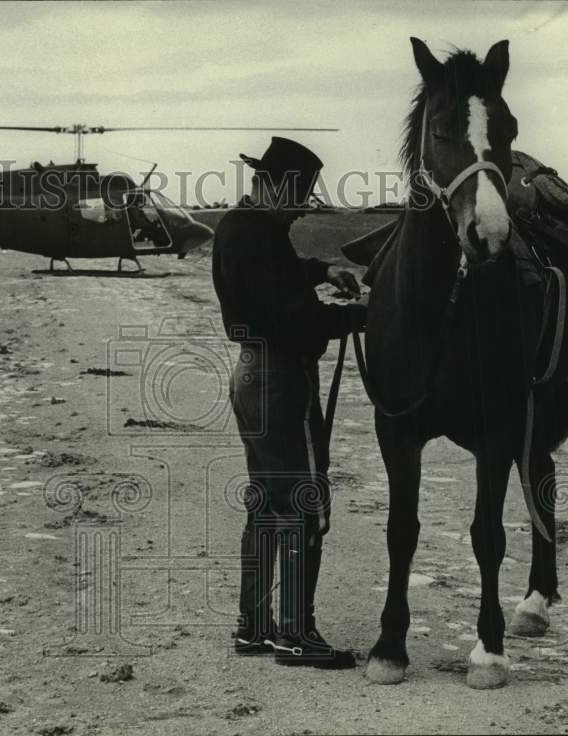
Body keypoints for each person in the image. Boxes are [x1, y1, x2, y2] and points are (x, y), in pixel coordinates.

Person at [212, 137, 366, 668]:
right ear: (277, 186)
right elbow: (292, 320)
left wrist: (320, 271)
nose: (303, 207)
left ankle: (254, 628)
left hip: (253, 375)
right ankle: (297, 634)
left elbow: (276, 280)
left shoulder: (244, 228)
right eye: (300, 195)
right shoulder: (259, 236)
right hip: (280, 376)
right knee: (303, 503)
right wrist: (358, 315)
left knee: (267, 504)